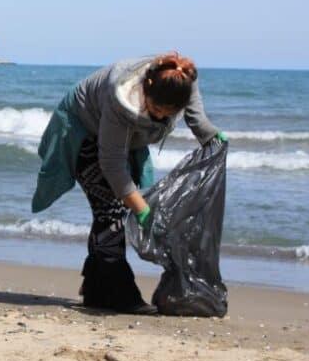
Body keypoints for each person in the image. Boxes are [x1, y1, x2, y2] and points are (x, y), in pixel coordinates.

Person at [31, 53, 226, 314]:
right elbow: (112, 164)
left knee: (113, 208)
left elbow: (195, 114)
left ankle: (97, 288)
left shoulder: (181, 79)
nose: (160, 117)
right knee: (111, 208)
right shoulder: (121, 98)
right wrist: (142, 209)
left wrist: (210, 136)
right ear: (147, 87)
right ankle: (117, 293)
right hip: (83, 129)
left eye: (167, 114)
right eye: (156, 109)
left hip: (120, 137)